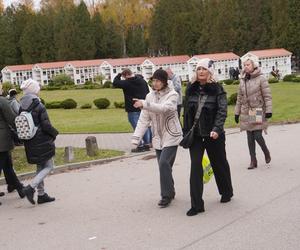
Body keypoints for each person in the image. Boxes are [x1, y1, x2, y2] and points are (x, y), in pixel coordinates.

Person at [183, 58, 233, 216]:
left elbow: (222, 111)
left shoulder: (218, 89)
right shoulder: (190, 89)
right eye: (198, 69)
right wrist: (186, 132)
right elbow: (186, 114)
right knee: (195, 166)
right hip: (196, 136)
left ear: (210, 71)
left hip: (213, 135)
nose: (201, 72)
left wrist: (217, 129)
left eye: (204, 69)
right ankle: (197, 205)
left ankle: (226, 191)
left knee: (219, 164)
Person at [132, 69, 182, 208]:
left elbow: (165, 109)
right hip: (157, 138)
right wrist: (136, 138)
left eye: (158, 80)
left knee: (163, 163)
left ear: (165, 82)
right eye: (153, 80)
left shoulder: (173, 95)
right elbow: (144, 119)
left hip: (172, 136)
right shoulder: (149, 96)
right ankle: (170, 191)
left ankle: (165, 196)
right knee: (165, 167)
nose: (155, 83)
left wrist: (145, 105)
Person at [20, 79, 58, 205]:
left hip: (30, 141)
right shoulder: (38, 105)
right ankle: (30, 188)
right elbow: (46, 125)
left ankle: (41, 195)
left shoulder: (22, 105)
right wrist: (55, 133)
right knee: (49, 166)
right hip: (41, 140)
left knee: (40, 166)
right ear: (35, 90)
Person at [235, 56, 272, 169]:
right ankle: (253, 160)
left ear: (254, 65)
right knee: (249, 137)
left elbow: (267, 96)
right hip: (246, 110)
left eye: (248, 64)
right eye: (244, 65)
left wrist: (269, 110)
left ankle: (265, 151)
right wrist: (237, 112)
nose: (245, 67)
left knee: (257, 136)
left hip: (257, 109)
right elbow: (239, 97)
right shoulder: (242, 79)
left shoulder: (261, 78)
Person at [113, 69, 152, 152]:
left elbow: (115, 83)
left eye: (124, 77)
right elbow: (148, 93)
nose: (124, 79)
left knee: (137, 127)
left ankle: (140, 145)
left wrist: (119, 75)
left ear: (126, 75)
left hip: (132, 107)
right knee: (144, 125)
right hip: (143, 106)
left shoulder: (127, 83)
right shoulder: (142, 81)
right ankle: (147, 143)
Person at [0, 83, 25, 203]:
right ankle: (19, 187)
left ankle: (15, 186)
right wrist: (22, 128)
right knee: (4, 165)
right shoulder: (2, 101)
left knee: (7, 164)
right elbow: (11, 118)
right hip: (2, 139)